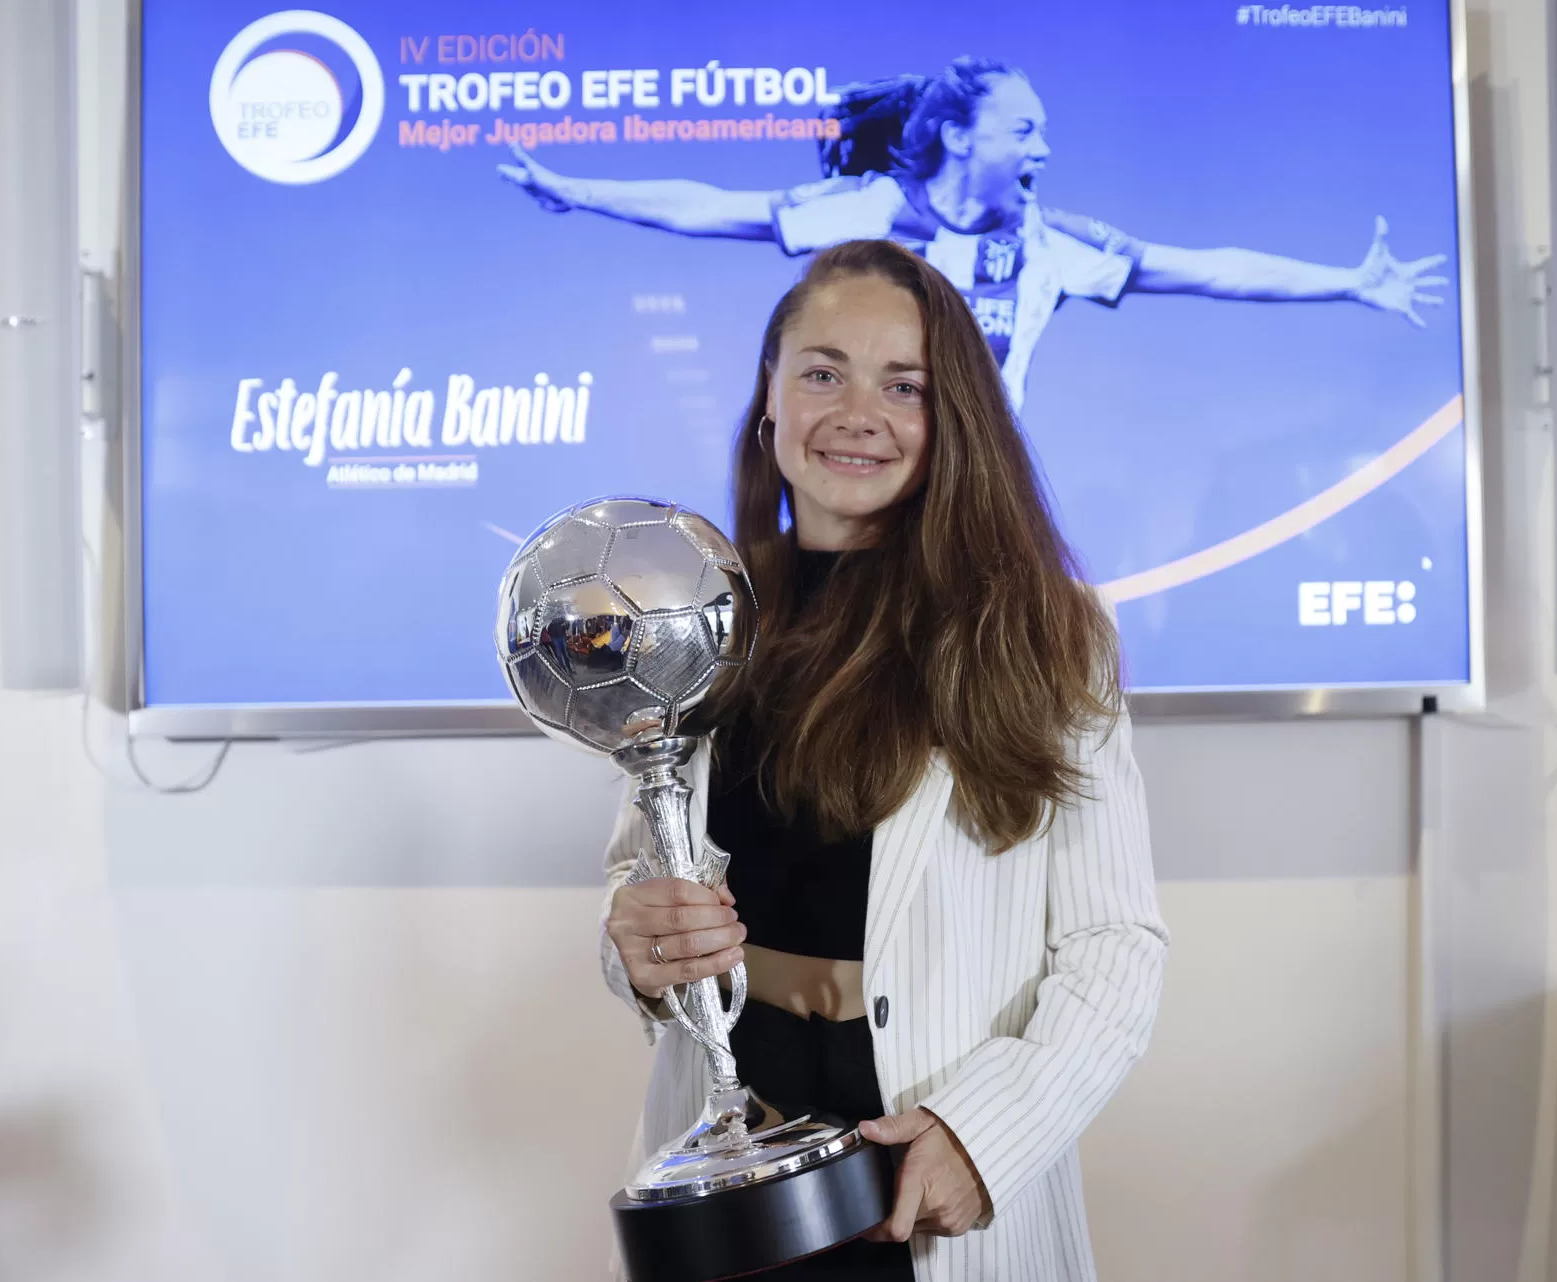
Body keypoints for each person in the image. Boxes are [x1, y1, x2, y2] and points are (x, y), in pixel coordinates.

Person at [597, 239, 1168, 1281]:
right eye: (823, 372)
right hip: (736, 1164)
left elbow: (1115, 945)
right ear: (768, 400)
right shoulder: (699, 616)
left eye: (902, 385)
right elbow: (641, 887)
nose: (856, 412)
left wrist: (983, 1137)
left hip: (928, 1159)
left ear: (950, 417)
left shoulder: (1045, 632)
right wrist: (634, 948)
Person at [499, 55, 1448, 411]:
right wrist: (578, 190)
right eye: (1024, 128)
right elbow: (713, 207)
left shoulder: (1051, 242)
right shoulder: (874, 212)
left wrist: (1346, 282)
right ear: (961, 137)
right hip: (858, 499)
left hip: (975, 517)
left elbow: (1209, 271)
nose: (1046, 144)